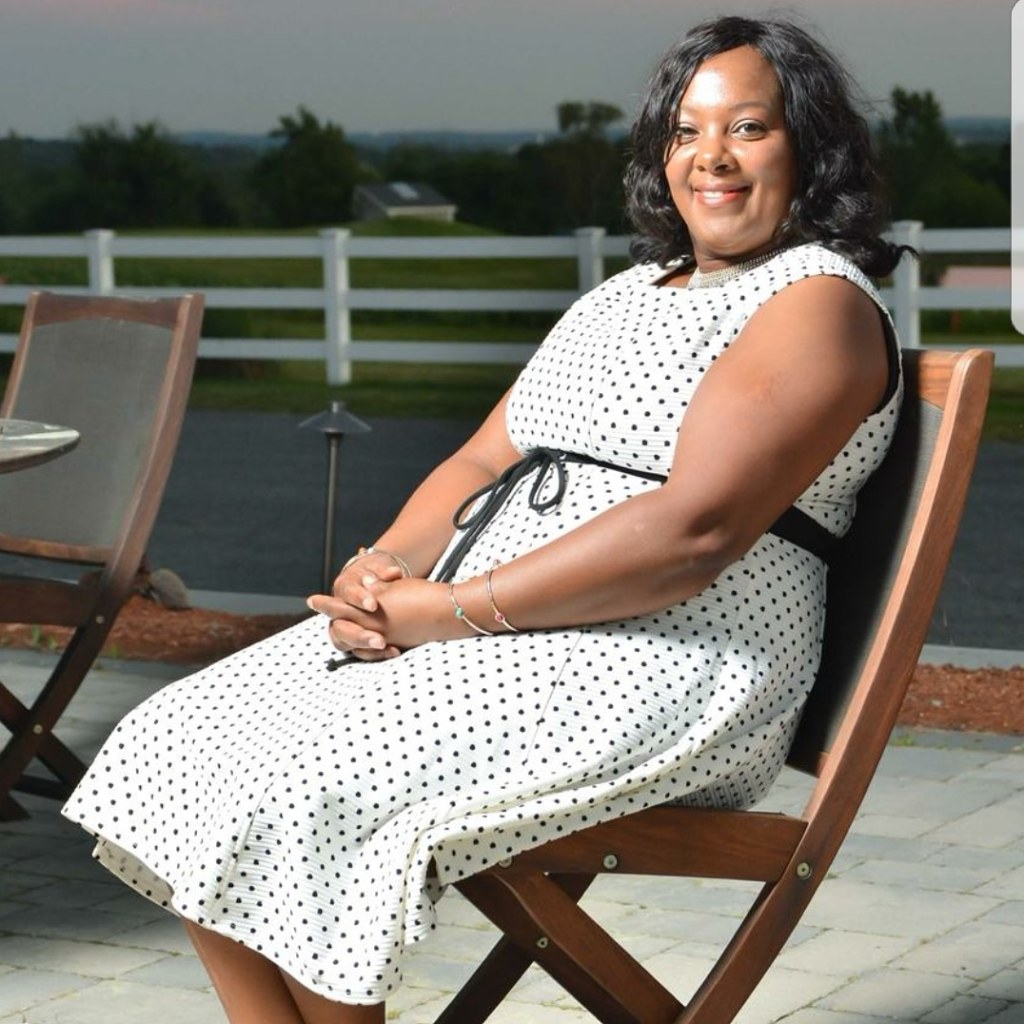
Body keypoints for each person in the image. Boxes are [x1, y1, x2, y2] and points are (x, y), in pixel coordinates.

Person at [62, 13, 910, 1024]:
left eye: (749, 128)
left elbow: (694, 531)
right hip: (507, 630)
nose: (710, 157)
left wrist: (450, 610)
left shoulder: (812, 302)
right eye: (685, 132)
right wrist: (383, 568)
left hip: (667, 654)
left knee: (314, 783)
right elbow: (484, 457)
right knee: (183, 739)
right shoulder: (627, 295)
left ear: (810, 146)